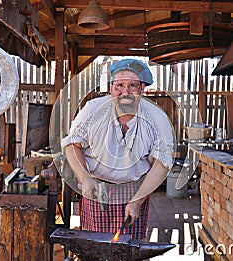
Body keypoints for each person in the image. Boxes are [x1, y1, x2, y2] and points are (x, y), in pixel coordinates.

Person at [61, 59, 174, 239]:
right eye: (119, 85)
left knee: (129, 248)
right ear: (111, 88)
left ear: (142, 89)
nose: (125, 92)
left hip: (134, 190)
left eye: (132, 86)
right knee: (95, 247)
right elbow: (72, 145)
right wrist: (85, 179)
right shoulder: (93, 110)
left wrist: (137, 201)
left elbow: (162, 165)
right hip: (97, 188)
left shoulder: (157, 119)